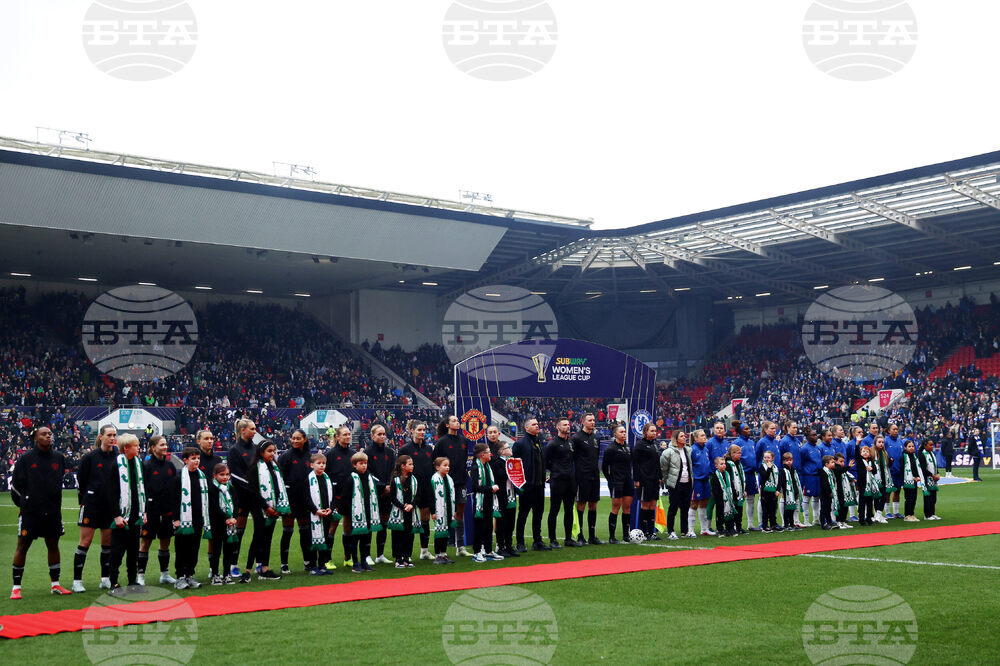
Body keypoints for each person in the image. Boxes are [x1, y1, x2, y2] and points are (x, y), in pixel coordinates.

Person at [10, 426, 72, 599]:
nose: (48, 436)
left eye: (50, 434)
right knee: (22, 546)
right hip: (30, 512)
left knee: (53, 545)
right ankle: (16, 587)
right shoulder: (25, 459)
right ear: (36, 438)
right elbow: (15, 487)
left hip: (52, 512)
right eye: (44, 434)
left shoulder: (59, 458)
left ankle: (55, 585)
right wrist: (25, 504)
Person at [73, 424, 118, 593]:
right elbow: (82, 480)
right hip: (91, 504)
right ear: (101, 437)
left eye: (115, 435)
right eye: (109, 435)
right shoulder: (90, 457)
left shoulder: (118, 457)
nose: (112, 438)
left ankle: (105, 579)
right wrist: (86, 498)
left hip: (110, 506)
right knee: (85, 542)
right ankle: (77, 581)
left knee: (107, 544)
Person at [241, 439, 288, 582]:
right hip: (259, 508)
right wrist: (266, 507)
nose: (272, 454)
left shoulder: (275, 467)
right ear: (261, 452)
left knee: (267, 539)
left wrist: (278, 506)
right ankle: (247, 571)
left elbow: (279, 488)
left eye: (274, 451)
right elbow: (253, 492)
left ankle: (265, 569)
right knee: (258, 538)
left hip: (273, 508)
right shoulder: (255, 468)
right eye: (269, 451)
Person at [107, 434, 147, 597]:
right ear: (126, 448)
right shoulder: (115, 465)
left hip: (136, 515)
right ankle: (114, 583)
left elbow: (143, 489)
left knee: (133, 551)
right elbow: (111, 493)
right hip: (122, 516)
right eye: (136, 445)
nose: (139, 448)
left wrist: (144, 512)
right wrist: (116, 515)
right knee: (117, 551)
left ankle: (132, 582)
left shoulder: (139, 464)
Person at [138, 435, 176, 587]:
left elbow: (174, 488)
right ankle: (140, 575)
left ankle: (164, 574)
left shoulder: (170, 466)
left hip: (167, 511)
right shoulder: (146, 466)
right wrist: (144, 511)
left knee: (165, 542)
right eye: (162, 445)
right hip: (151, 511)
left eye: (166, 444)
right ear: (153, 448)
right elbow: (142, 489)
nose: (165, 447)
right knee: (145, 543)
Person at [277, 428, 314, 574]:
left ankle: (307, 562)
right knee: (287, 531)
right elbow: (280, 478)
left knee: (305, 532)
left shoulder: (310, 456)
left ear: (304, 439)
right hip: (290, 499)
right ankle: (284, 564)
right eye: (293, 438)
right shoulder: (285, 456)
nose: (294, 441)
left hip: (305, 500)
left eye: (298, 438)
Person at [337, 451, 380, 573]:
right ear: (355, 465)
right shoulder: (351, 478)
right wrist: (350, 512)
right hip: (356, 514)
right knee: (355, 539)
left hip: (368, 512)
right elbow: (345, 497)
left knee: (366, 539)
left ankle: (364, 561)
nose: (364, 466)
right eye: (361, 463)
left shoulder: (369, 477)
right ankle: (355, 563)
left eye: (365, 463)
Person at [172, 447, 208, 590]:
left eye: (198, 458)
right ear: (185, 460)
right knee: (182, 548)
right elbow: (174, 500)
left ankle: (190, 574)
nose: (197, 461)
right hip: (183, 518)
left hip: (198, 518)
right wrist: (176, 518)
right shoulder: (179, 478)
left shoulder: (202, 477)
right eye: (193, 458)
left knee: (194, 548)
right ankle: (180, 576)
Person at [434, 415, 471, 556]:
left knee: (460, 513)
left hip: (461, 482)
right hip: (445, 483)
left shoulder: (464, 440)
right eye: (454, 421)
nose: (457, 422)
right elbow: (435, 462)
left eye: (458, 420)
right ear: (448, 425)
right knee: (445, 513)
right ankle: (442, 548)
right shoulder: (442, 442)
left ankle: (460, 547)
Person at [399, 421, 435, 560]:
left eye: (424, 430)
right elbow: (399, 469)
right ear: (412, 431)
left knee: (425, 518)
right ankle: (405, 553)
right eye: (419, 429)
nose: (422, 432)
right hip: (411, 488)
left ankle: (424, 550)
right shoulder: (405, 449)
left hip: (426, 488)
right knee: (409, 520)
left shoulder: (428, 449)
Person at [227, 419, 258, 577]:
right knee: (238, 532)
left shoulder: (256, 448)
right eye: (252, 429)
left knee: (260, 531)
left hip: (257, 496)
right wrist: (253, 488)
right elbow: (235, 475)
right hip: (242, 496)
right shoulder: (234, 450)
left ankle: (258, 563)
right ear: (243, 430)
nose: (255, 431)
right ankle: (233, 565)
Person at [513, 417, 548, 552]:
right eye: (534, 424)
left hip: (539, 485)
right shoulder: (520, 444)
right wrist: (520, 485)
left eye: (537, 424)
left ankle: (537, 541)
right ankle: (520, 542)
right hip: (527, 486)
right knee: (523, 514)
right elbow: (515, 465)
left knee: (538, 514)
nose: (537, 426)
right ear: (527, 428)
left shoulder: (539, 442)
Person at [324, 425, 356, 567]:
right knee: (332, 527)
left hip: (349, 496)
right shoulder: (330, 455)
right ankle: (327, 559)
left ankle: (347, 558)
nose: (348, 436)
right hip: (334, 497)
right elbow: (326, 476)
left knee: (348, 527)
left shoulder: (353, 454)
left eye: (349, 434)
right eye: (345, 434)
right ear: (337, 437)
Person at [364, 424, 397, 565]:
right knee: (371, 524)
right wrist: (382, 486)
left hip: (387, 492)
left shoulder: (390, 452)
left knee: (383, 523)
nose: (382, 436)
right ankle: (366, 555)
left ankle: (380, 554)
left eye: (384, 434)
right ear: (372, 436)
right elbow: (368, 473)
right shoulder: (367, 452)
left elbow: (393, 471)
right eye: (379, 434)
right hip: (373, 492)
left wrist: (389, 486)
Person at [544, 417, 576, 549]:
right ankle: (553, 539)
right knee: (554, 510)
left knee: (569, 510)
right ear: (558, 427)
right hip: (558, 480)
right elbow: (546, 462)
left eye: (568, 424)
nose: (567, 426)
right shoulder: (552, 444)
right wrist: (555, 471)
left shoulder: (570, 443)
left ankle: (568, 539)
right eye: (564, 425)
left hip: (570, 480)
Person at [572, 413, 604, 545]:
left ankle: (592, 536)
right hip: (581, 477)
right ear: (583, 422)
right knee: (581, 504)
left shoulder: (597, 437)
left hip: (594, 476)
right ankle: (580, 535)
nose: (592, 422)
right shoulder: (576, 438)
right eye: (590, 420)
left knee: (593, 504)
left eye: (594, 420)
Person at [470, 444, 502, 562]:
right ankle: (477, 552)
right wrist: (490, 489)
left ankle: (488, 551)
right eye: (488, 452)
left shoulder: (488, 466)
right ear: (482, 454)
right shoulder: (475, 467)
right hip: (480, 501)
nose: (491, 454)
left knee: (489, 526)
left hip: (489, 500)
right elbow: (475, 487)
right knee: (479, 528)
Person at [207, 463, 238, 585]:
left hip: (230, 524)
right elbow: (213, 506)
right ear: (215, 475)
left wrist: (234, 517)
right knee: (216, 549)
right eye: (222, 475)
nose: (225, 477)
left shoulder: (231, 488)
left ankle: (227, 574)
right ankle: (215, 574)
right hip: (217, 523)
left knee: (229, 549)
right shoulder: (212, 488)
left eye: (227, 475)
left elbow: (236, 504)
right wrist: (225, 518)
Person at [602, 424, 633, 543]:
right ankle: (612, 537)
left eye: (625, 432)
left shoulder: (628, 447)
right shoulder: (611, 448)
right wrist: (611, 479)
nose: (624, 434)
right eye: (621, 432)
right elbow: (605, 467)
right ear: (615, 434)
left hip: (627, 481)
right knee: (616, 507)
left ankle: (626, 535)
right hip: (616, 481)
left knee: (627, 507)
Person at [306, 453, 337, 574]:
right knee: (313, 540)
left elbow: (333, 497)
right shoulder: (308, 479)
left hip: (326, 513)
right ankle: (313, 566)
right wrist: (315, 510)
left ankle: (322, 564)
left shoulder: (327, 479)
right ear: (312, 465)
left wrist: (331, 508)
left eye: (323, 463)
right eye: (319, 463)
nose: (322, 465)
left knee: (325, 539)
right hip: (313, 515)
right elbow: (306, 498)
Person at [660, 429, 693, 540]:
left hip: (687, 483)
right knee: (673, 507)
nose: (685, 437)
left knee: (685, 508)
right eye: (682, 436)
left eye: (685, 435)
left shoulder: (688, 450)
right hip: (675, 484)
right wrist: (668, 482)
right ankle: (671, 531)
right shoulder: (668, 452)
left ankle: (684, 531)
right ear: (676, 438)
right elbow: (664, 469)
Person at [387, 454, 419, 568]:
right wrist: (402, 506)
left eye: (412, 464)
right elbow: (392, 497)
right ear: (402, 466)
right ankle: (398, 558)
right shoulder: (395, 480)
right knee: (397, 536)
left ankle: (407, 558)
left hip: (410, 512)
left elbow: (416, 496)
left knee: (409, 536)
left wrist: (411, 505)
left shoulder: (414, 479)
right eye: (410, 464)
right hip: (399, 512)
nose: (412, 466)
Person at [633, 422, 663, 541]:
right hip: (644, 479)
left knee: (652, 505)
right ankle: (643, 532)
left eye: (655, 431)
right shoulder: (639, 445)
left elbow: (657, 463)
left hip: (655, 479)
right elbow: (635, 464)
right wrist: (636, 479)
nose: (654, 433)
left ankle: (651, 533)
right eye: (652, 431)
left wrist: (660, 477)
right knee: (645, 505)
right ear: (645, 432)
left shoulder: (655, 445)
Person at [490, 437, 518, 557]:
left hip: (511, 495)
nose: (510, 449)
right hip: (502, 496)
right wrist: (512, 469)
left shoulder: (511, 461)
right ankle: (501, 546)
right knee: (502, 522)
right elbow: (501, 476)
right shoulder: (497, 463)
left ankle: (509, 545)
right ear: (501, 451)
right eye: (508, 447)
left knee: (511, 522)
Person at [734, 421, 761, 532]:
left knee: (751, 498)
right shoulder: (736, 442)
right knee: (739, 499)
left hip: (751, 474)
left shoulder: (751, 442)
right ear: (740, 431)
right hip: (741, 474)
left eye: (749, 428)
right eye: (746, 428)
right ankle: (736, 524)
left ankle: (750, 524)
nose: (749, 430)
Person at [430, 457, 457, 565]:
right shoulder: (434, 479)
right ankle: (437, 555)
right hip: (439, 510)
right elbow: (431, 496)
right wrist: (433, 511)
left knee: (445, 533)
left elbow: (452, 495)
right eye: (444, 465)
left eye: (448, 465)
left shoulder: (449, 479)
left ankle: (443, 554)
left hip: (448, 509)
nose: (447, 467)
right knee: (439, 533)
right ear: (437, 467)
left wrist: (453, 509)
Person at [755, 421, 781, 527]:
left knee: (774, 499)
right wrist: (761, 472)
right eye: (771, 428)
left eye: (775, 428)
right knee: (763, 499)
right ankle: (762, 523)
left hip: (775, 474)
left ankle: (773, 522)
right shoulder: (761, 442)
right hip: (765, 475)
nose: (774, 430)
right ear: (766, 430)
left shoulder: (776, 442)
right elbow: (757, 459)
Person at [779, 421, 805, 527]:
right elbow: (781, 456)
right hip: (786, 472)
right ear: (788, 428)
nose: (796, 429)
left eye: (796, 427)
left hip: (797, 471)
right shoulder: (784, 441)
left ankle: (796, 520)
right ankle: (784, 521)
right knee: (785, 496)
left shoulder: (797, 440)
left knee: (796, 495)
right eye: (793, 427)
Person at [689, 428, 714, 536]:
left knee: (705, 503)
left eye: (705, 435)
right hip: (697, 480)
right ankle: (690, 530)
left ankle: (704, 529)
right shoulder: (692, 450)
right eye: (702, 435)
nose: (705, 437)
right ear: (695, 438)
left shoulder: (706, 449)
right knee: (694, 504)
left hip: (705, 479)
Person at [705, 422, 729, 525]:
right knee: (711, 501)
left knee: (723, 500)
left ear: (724, 430)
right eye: (717, 428)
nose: (719, 430)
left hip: (724, 476)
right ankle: (708, 526)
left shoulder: (727, 444)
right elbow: (706, 460)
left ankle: (722, 524)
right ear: (714, 430)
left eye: (721, 428)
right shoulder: (709, 443)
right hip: (713, 476)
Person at [800, 427, 824, 527]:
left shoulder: (817, 447)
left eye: (816, 434)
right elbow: (801, 462)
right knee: (807, 497)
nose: (816, 437)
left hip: (818, 476)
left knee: (817, 497)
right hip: (809, 476)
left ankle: (815, 519)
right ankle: (806, 520)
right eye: (813, 435)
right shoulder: (804, 449)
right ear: (808, 436)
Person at [709, 457, 736, 537]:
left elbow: (732, 486)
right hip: (720, 500)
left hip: (729, 499)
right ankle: (720, 529)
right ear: (716, 466)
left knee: (730, 513)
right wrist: (719, 500)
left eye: (724, 464)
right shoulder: (715, 477)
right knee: (720, 515)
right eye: (721, 464)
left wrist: (733, 496)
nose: (724, 465)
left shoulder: (727, 474)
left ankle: (730, 528)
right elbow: (715, 491)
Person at [777, 452, 802, 531]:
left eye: (790, 460)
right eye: (787, 460)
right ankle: (786, 524)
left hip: (793, 491)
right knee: (787, 509)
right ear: (783, 461)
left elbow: (795, 481)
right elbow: (783, 483)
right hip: (787, 492)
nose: (789, 462)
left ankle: (792, 523)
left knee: (792, 508)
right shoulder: (783, 470)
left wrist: (796, 491)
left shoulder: (793, 469)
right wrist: (784, 492)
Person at [725, 444, 747, 535]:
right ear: (732, 454)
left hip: (740, 491)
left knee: (739, 509)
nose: (740, 455)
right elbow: (729, 478)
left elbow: (742, 478)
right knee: (732, 509)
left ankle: (738, 527)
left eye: (740, 453)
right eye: (738, 453)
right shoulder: (728, 464)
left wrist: (744, 489)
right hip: (732, 491)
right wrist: (732, 491)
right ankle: (730, 527)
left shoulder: (739, 463)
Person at [884, 424, 905, 519]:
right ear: (888, 431)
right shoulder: (885, 441)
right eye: (894, 429)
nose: (896, 431)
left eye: (897, 429)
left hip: (899, 470)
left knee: (897, 491)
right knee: (888, 491)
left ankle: (896, 512)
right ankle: (887, 512)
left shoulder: (900, 441)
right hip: (889, 471)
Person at [917, 439, 941, 520]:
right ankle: (927, 515)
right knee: (927, 497)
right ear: (925, 445)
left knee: (933, 497)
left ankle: (932, 513)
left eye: (932, 445)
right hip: (926, 479)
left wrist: (937, 474)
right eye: (930, 445)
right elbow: (923, 469)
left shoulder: (932, 454)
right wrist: (932, 475)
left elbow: (934, 466)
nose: (932, 447)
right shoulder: (922, 455)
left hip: (933, 479)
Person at [872, 436, 893, 523]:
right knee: (877, 497)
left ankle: (879, 514)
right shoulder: (872, 452)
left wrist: (891, 462)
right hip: (875, 478)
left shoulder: (884, 453)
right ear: (875, 443)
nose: (881, 444)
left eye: (882, 442)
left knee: (884, 496)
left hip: (884, 477)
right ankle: (877, 514)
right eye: (879, 442)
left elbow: (887, 466)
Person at [757, 450, 779, 532]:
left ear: (772, 458)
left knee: (773, 509)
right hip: (765, 491)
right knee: (765, 510)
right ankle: (765, 525)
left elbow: (778, 479)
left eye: (768, 457)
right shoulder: (762, 467)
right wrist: (769, 468)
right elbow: (765, 477)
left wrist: (778, 490)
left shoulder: (775, 467)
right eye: (765, 457)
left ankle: (773, 524)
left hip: (774, 491)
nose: (766, 459)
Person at [856, 446, 879, 526]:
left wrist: (871, 469)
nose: (865, 453)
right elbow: (856, 454)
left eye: (867, 451)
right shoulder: (860, 460)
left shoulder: (871, 461)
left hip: (870, 484)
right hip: (863, 484)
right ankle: (861, 519)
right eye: (863, 451)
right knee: (862, 502)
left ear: (869, 454)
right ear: (860, 453)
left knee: (870, 502)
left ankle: (869, 518)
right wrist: (857, 444)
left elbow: (875, 470)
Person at [899, 440, 922, 522]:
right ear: (905, 447)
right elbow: (902, 470)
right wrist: (912, 477)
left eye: (912, 446)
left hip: (915, 481)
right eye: (909, 446)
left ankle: (912, 514)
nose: (911, 448)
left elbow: (916, 468)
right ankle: (907, 515)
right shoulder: (904, 457)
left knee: (914, 498)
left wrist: (917, 476)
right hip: (908, 481)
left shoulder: (914, 457)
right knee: (908, 498)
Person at [832, 453, 855, 529]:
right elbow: (840, 471)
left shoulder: (843, 469)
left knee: (845, 506)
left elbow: (846, 474)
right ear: (835, 461)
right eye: (840, 461)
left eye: (843, 462)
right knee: (840, 506)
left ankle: (843, 521)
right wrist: (848, 466)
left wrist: (851, 479)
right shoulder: (835, 468)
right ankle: (839, 521)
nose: (842, 463)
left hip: (845, 490)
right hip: (838, 490)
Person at [819, 455, 837, 530]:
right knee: (824, 508)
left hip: (829, 493)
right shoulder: (824, 472)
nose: (834, 464)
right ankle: (823, 523)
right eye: (832, 462)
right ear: (826, 464)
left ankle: (829, 521)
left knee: (828, 508)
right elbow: (825, 484)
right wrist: (829, 492)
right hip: (825, 494)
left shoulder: (830, 472)